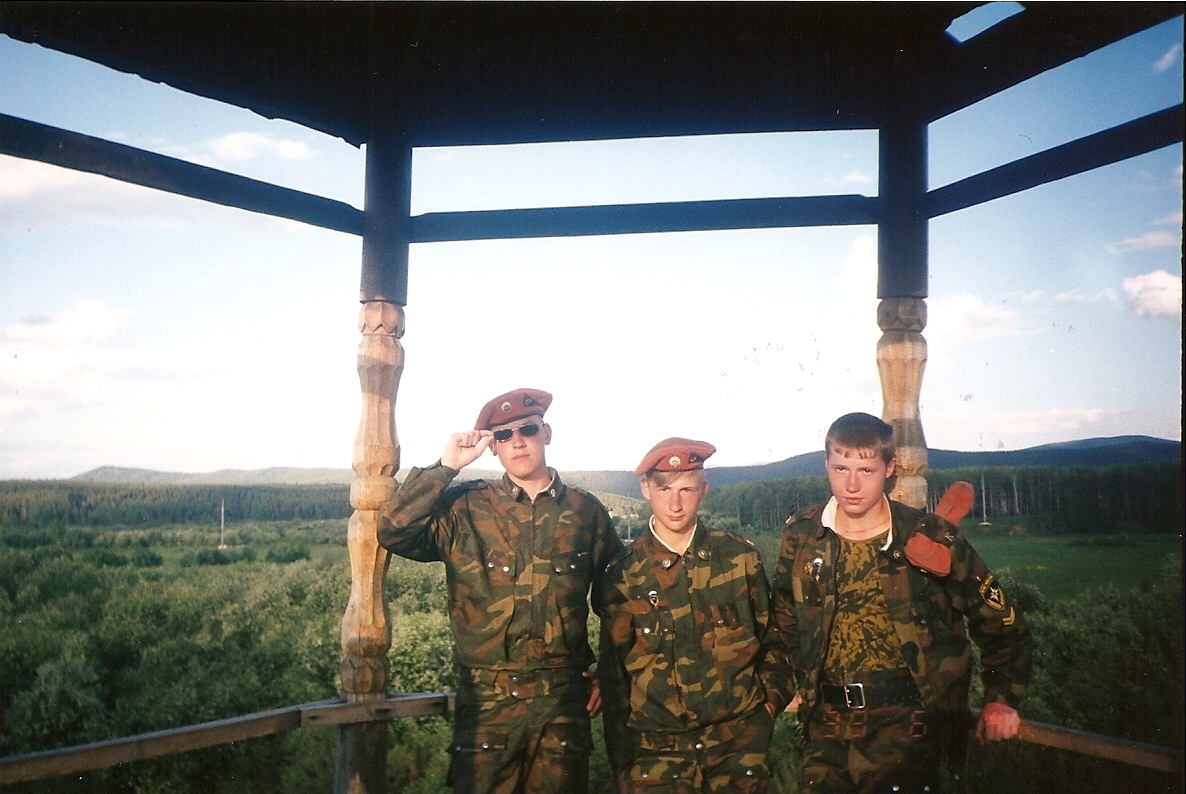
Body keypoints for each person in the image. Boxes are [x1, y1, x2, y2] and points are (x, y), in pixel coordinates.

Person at [376, 387, 625, 794]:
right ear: (493, 447)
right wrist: (445, 467)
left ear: (546, 433)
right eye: (504, 435)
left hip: (562, 705)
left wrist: (608, 674)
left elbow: (618, 603)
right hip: (487, 705)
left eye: (528, 429)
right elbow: (393, 530)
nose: (518, 442)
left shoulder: (585, 512)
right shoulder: (465, 509)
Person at [772, 412, 1033, 794]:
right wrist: (792, 686)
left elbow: (1001, 622)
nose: (852, 484)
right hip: (827, 732)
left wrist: (1001, 699)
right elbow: (782, 621)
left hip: (909, 734)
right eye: (841, 468)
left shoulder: (926, 539)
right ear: (826, 464)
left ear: (890, 467)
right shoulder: (804, 537)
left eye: (866, 470)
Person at [599, 438, 789, 794]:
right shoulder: (622, 575)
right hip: (658, 758)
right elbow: (614, 681)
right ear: (645, 490)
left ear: (703, 490)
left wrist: (767, 709)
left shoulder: (739, 559)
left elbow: (774, 642)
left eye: (686, 489)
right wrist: (624, 768)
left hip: (738, 751)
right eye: (664, 489)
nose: (675, 504)